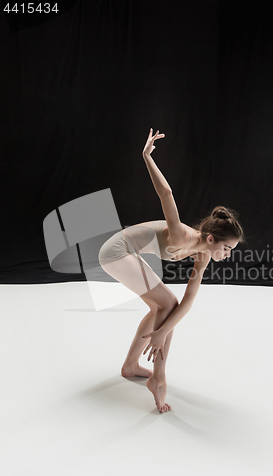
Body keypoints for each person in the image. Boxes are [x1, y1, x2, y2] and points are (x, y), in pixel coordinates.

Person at [99, 128, 244, 413]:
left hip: (130, 254)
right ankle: (158, 376)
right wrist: (147, 156)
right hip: (115, 252)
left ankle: (131, 366)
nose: (228, 256)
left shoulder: (202, 256)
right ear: (212, 238)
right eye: (227, 249)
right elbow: (166, 193)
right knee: (166, 303)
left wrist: (161, 331)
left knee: (162, 309)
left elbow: (188, 301)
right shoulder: (182, 238)